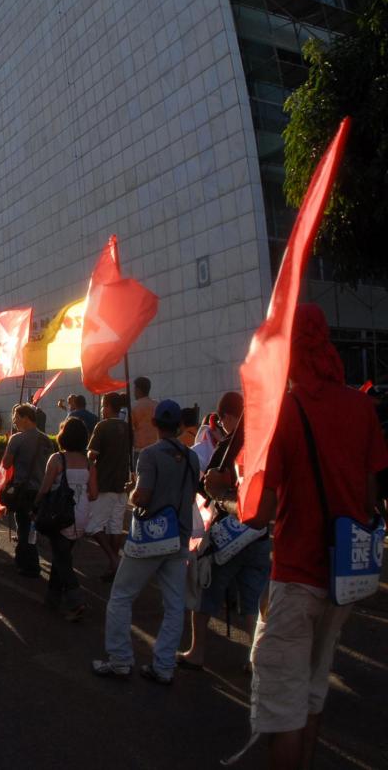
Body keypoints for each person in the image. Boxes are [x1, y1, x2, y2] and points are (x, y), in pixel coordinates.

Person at [243, 305, 388, 769]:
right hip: (344, 576)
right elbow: (369, 501)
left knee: (280, 705)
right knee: (312, 688)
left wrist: (229, 499)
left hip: (295, 573)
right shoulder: (362, 406)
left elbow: (260, 514)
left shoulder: (283, 411)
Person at [93, 399, 198, 684]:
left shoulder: (149, 455)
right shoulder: (192, 458)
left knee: (121, 597)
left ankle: (120, 660)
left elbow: (143, 496)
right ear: (178, 425)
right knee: (175, 605)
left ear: (154, 423)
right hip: (179, 535)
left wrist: (132, 493)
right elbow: (190, 496)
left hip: (150, 538)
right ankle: (164, 666)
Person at [177, 391, 267, 672]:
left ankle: (197, 652)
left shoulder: (229, 445)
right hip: (260, 532)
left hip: (227, 536)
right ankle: (255, 659)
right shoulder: (265, 445)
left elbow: (207, 486)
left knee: (206, 594)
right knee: (254, 601)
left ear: (230, 417)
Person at [34, 417, 97, 621]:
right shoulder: (89, 463)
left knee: (62, 558)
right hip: (81, 514)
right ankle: (52, 598)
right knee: (62, 554)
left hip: (59, 514)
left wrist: (35, 505)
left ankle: (76, 601)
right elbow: (94, 494)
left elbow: (45, 488)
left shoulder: (57, 459)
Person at [0, 403, 53, 577]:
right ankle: (27, 561)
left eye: (16, 417)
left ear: (25, 417)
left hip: (23, 490)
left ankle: (28, 564)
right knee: (32, 527)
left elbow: (6, 463)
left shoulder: (17, 439)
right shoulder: (46, 440)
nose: (14, 421)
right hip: (42, 490)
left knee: (23, 527)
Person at [85, 392, 131, 580]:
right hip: (122, 483)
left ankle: (114, 559)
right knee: (115, 526)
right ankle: (113, 568)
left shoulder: (102, 426)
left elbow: (92, 455)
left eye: (104, 405)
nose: (102, 408)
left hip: (104, 483)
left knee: (93, 526)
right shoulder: (128, 427)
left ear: (109, 406)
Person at [130, 376, 158, 457]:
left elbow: (129, 430)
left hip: (140, 450)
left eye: (134, 389)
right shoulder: (157, 405)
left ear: (138, 390)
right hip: (156, 448)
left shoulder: (133, 406)